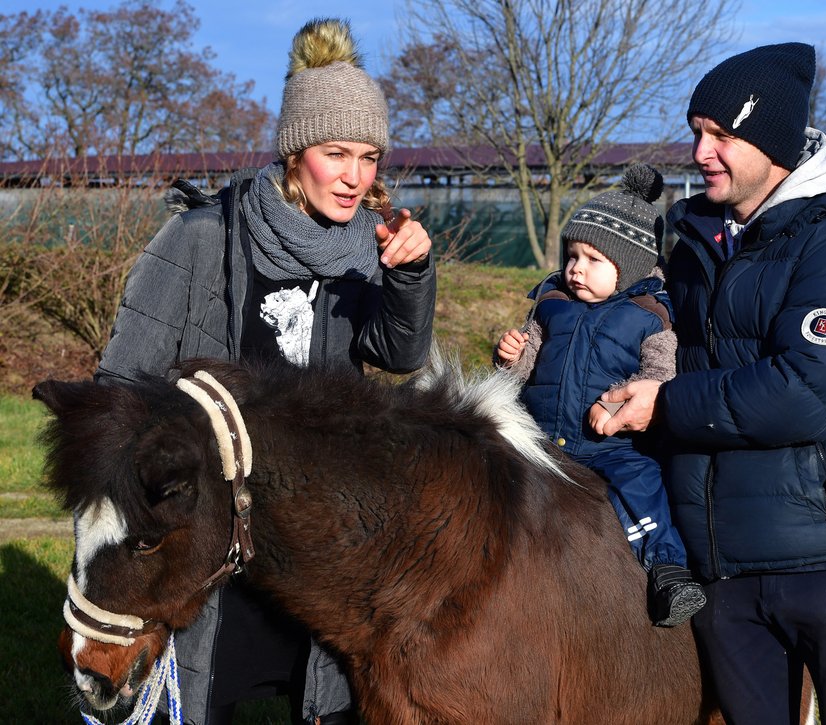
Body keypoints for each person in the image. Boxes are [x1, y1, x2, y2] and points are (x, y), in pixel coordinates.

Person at [95, 18, 436, 725]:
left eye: (369, 156)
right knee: (200, 694)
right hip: (206, 534)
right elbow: (123, 380)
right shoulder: (202, 236)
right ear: (293, 152)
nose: (355, 176)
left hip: (316, 532)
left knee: (323, 700)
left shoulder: (364, 247)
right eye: (335, 152)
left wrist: (411, 276)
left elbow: (399, 357)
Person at [593, 43, 826, 723]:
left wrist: (665, 404)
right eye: (697, 132)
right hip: (726, 568)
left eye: (722, 135)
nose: (701, 151)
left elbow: (807, 388)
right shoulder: (697, 248)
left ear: (773, 146)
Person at [495, 164, 706, 627]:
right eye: (571, 255)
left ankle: (668, 570)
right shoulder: (553, 305)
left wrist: (614, 406)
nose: (575, 270)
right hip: (541, 436)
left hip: (611, 444)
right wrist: (509, 358)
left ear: (626, 268)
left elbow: (659, 378)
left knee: (643, 485)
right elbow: (524, 365)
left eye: (593, 260)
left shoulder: (650, 317)